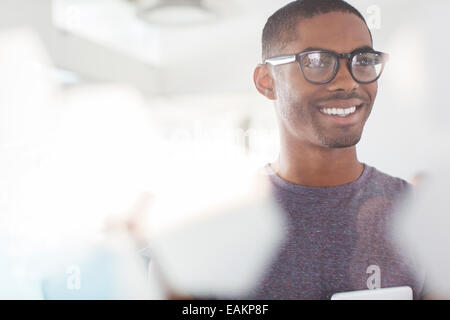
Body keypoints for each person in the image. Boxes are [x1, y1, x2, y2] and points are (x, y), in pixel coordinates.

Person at [249, 0, 425, 299]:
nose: (347, 81)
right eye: (317, 61)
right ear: (267, 81)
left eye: (363, 60)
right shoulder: (220, 224)